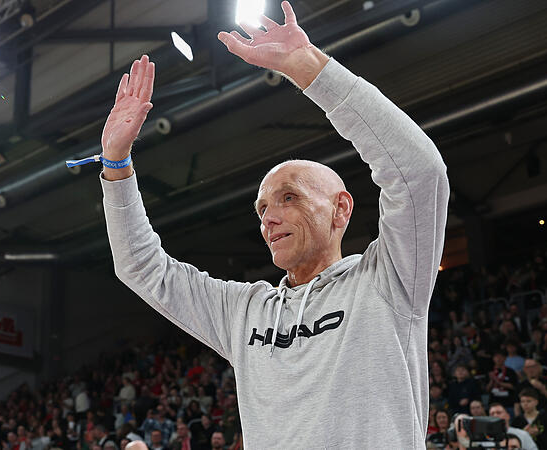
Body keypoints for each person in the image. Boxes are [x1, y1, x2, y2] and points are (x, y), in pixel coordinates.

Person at [98, 0, 449, 447]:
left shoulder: (389, 280)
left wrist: (309, 69)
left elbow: (419, 174)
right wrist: (115, 164)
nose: (271, 217)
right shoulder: (244, 313)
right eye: (262, 209)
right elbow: (142, 269)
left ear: (342, 209)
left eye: (289, 198)